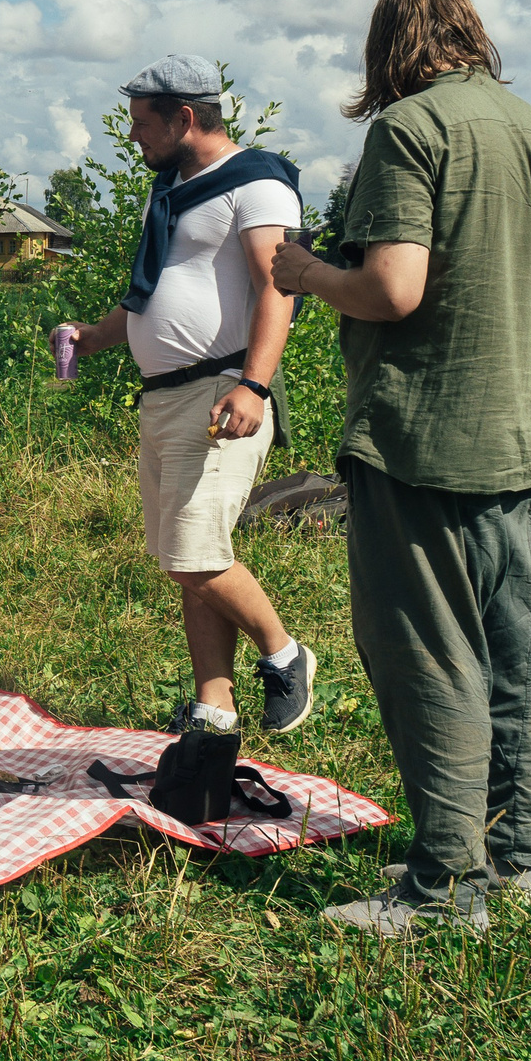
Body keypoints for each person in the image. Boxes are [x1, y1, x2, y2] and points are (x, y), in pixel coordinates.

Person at [270, 0, 531, 939]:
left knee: (429, 659)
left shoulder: (408, 132)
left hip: (422, 443)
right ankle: (518, 864)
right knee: (509, 657)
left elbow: (393, 288)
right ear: (470, 35)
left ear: (391, 49)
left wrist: (307, 273)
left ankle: (444, 888)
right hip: (519, 444)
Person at [64, 55, 316, 739]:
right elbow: (150, 295)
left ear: (185, 116)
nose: (136, 137)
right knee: (193, 555)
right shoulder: (170, 189)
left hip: (223, 390)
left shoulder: (257, 182)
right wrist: (93, 337)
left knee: (191, 550)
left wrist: (253, 384)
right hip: (166, 397)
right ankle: (215, 706)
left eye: (144, 124)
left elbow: (278, 286)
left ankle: (286, 653)